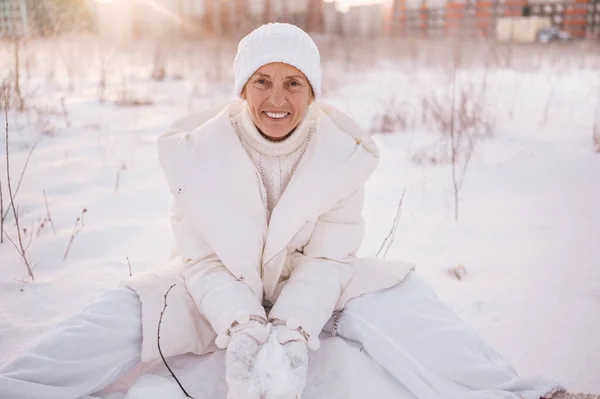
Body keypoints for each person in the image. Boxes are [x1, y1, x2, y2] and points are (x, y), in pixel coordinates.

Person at [0, 23, 565, 399]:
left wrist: (293, 326)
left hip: (314, 286)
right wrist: (242, 322)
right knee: (123, 311)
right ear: (242, 88)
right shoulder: (194, 153)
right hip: (213, 288)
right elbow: (200, 259)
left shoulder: (344, 157)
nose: (277, 99)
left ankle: (527, 395)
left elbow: (330, 258)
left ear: (313, 91)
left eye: (294, 83)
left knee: (407, 301)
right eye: (262, 82)